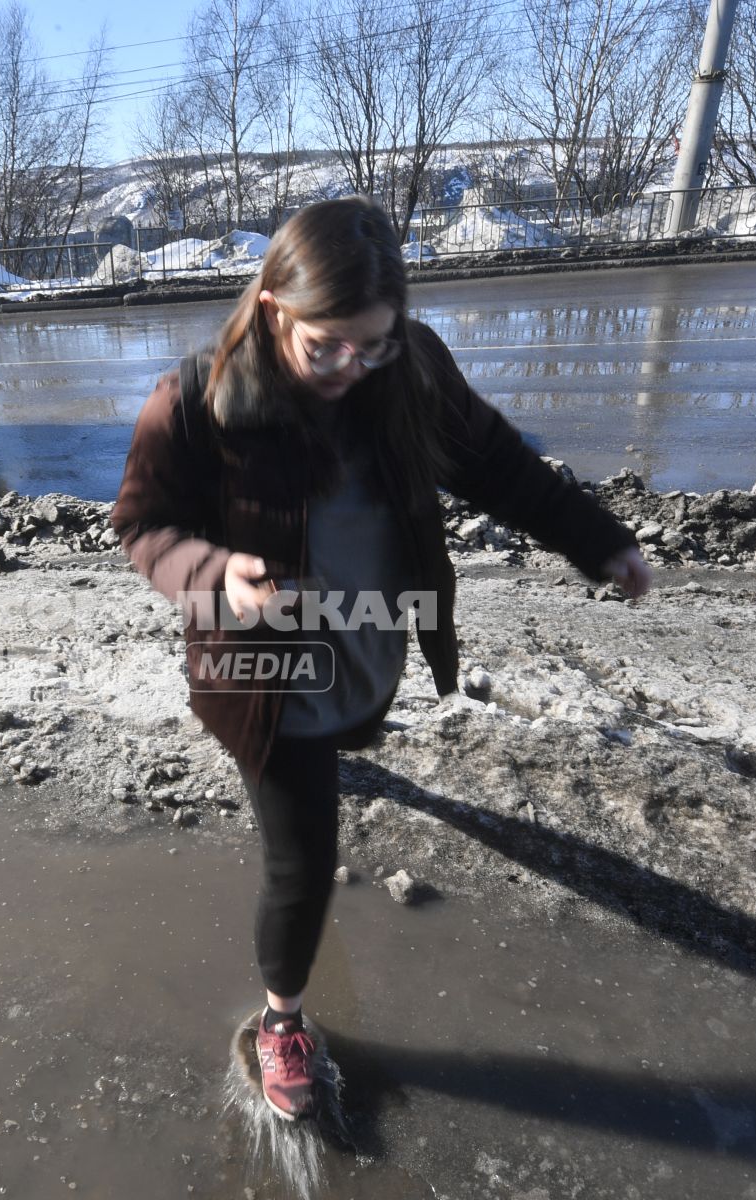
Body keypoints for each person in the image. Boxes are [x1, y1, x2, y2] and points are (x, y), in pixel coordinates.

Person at [111, 197, 653, 1121]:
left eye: (375, 345)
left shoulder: (410, 373)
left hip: (367, 641)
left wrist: (596, 539)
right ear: (276, 305)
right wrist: (213, 575)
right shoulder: (197, 401)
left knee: (349, 742)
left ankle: (339, 767)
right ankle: (282, 1020)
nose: (351, 368)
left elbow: (499, 466)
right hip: (263, 675)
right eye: (329, 346)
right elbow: (142, 526)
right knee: (304, 858)